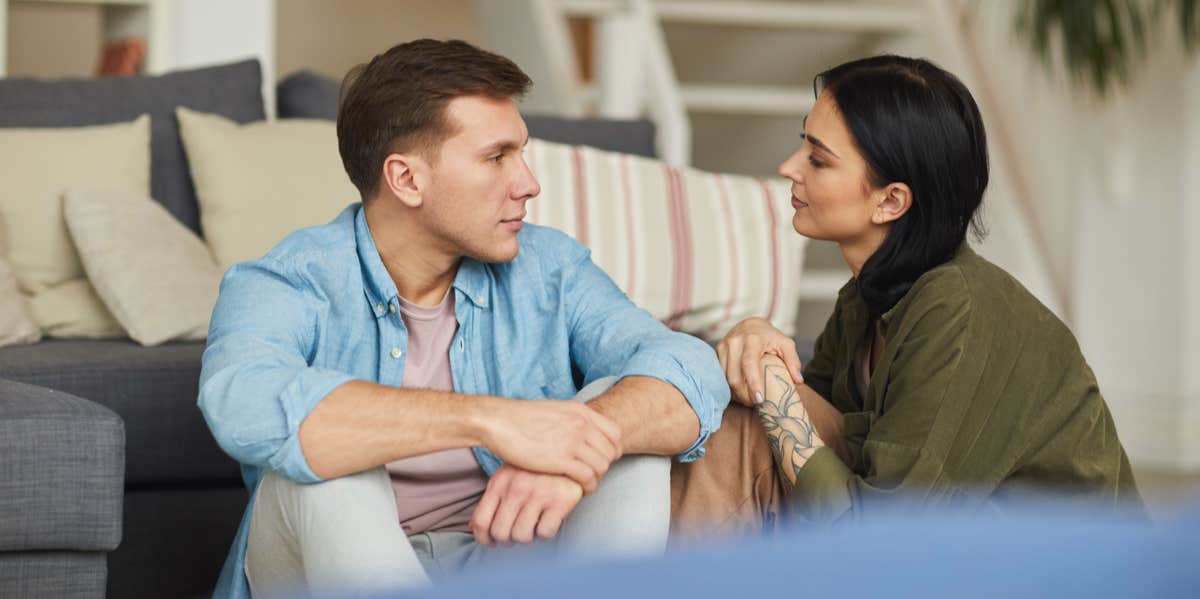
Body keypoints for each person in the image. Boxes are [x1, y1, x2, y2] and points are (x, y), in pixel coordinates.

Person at [198, 39, 729, 599]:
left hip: (510, 562)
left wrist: (572, 449)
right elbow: (240, 402)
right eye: (496, 157)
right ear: (406, 180)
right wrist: (493, 421)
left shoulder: (550, 267)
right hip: (328, 569)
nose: (528, 182)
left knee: (616, 429)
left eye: (520, 154)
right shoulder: (283, 281)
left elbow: (686, 367)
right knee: (331, 465)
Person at [715, 55, 1143, 523]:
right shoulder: (864, 299)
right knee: (739, 421)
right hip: (955, 555)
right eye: (803, 145)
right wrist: (757, 340)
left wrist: (771, 392)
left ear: (891, 200)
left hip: (1057, 575)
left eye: (818, 159)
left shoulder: (955, 311)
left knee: (754, 417)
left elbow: (880, 537)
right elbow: (807, 429)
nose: (788, 167)